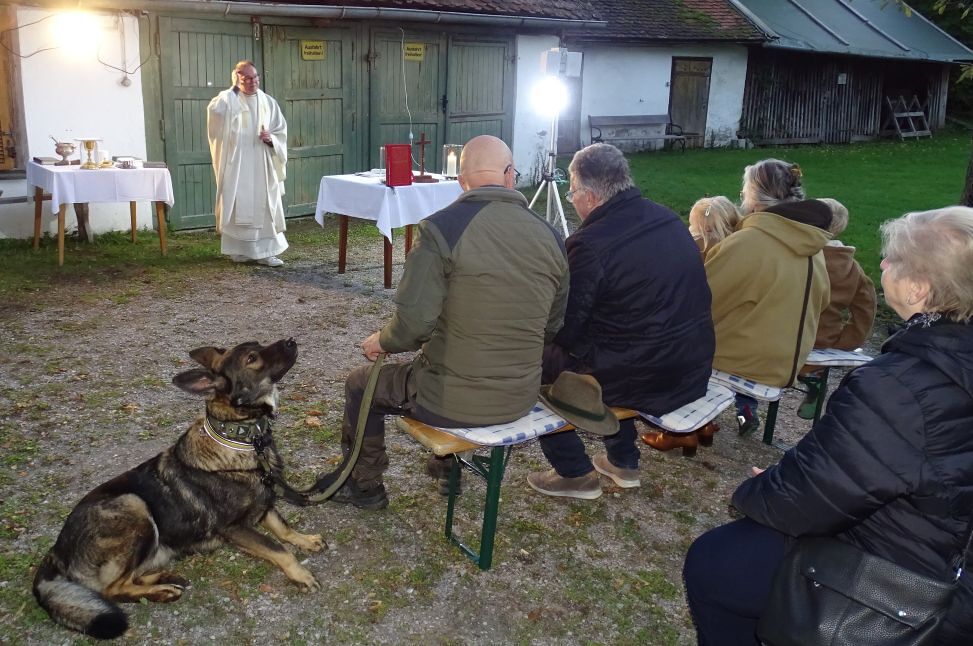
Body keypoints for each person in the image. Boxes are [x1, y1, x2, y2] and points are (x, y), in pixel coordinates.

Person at [683, 206, 973, 645]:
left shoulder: (899, 387)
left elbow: (804, 501)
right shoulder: (942, 363)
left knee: (716, 563)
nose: (882, 264)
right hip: (947, 548)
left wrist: (758, 490)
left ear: (918, 288)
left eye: (894, 259)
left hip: (917, 588)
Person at [329, 135, 569, 509]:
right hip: (519, 398)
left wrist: (383, 340)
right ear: (510, 175)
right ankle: (447, 469)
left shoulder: (440, 229)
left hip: (452, 402)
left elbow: (414, 325)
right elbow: (552, 328)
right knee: (450, 357)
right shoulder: (552, 236)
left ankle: (364, 484)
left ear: (461, 180)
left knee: (361, 384)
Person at [526, 143, 715, 500]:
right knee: (618, 347)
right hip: (690, 365)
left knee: (532, 359)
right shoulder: (667, 218)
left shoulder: (589, 244)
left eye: (572, 192)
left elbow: (566, 328)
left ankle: (573, 472)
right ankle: (623, 461)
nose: (572, 200)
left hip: (647, 375)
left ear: (591, 195)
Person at [704, 159, 831, 434]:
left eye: (744, 191)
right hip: (788, 360)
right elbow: (824, 301)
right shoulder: (813, 244)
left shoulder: (749, 242)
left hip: (748, 362)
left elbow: (700, 303)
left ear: (754, 197)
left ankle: (674, 424)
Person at [796, 197, 877, 418]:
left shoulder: (801, 257)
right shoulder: (851, 268)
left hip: (788, 336)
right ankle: (813, 379)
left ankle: (747, 405)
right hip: (824, 338)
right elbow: (866, 307)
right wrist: (848, 341)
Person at [207, 60, 288, 267]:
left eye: (255, 77)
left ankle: (266, 253)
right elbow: (215, 112)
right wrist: (234, 89)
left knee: (265, 205)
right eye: (247, 78)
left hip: (262, 162)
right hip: (238, 164)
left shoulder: (268, 102)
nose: (253, 82)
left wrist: (272, 139)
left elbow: (280, 130)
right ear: (237, 79)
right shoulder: (228, 99)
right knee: (237, 203)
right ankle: (239, 251)